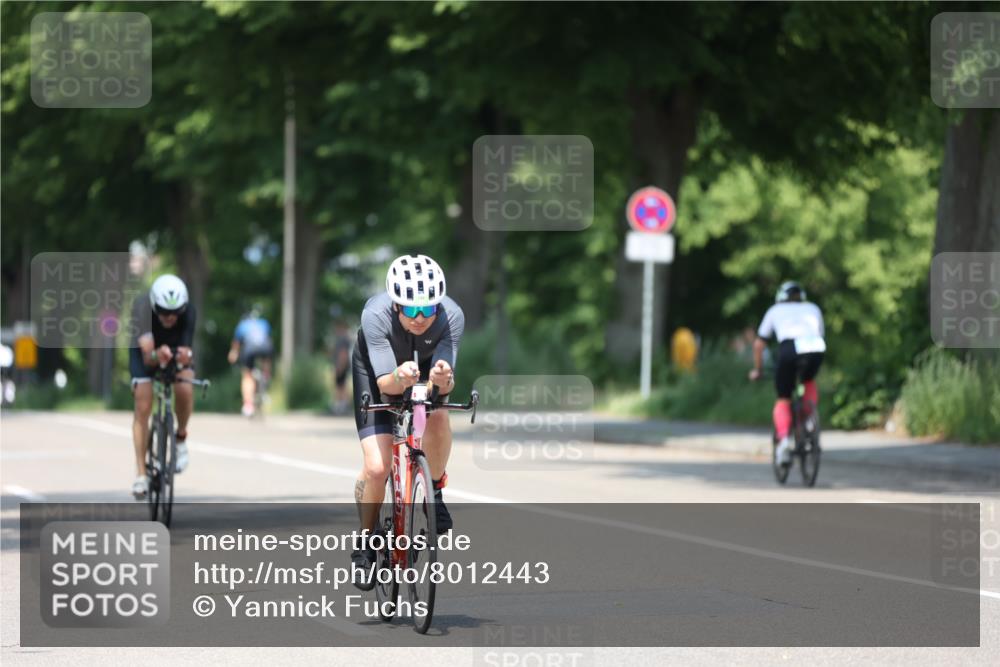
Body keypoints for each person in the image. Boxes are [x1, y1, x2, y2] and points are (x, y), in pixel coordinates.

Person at [349, 254, 464, 589]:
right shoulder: (375, 315)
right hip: (379, 374)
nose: (420, 318)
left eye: (428, 309)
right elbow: (387, 385)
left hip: (423, 369)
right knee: (377, 467)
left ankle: (435, 493)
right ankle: (365, 544)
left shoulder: (452, 316)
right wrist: (399, 377)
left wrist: (441, 379)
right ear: (396, 304)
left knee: (438, 416)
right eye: (411, 310)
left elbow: (444, 385)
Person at [130, 274, 197, 499]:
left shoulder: (189, 312)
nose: (169, 317)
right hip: (145, 351)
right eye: (163, 312)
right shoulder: (142, 308)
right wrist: (156, 355)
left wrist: (183, 356)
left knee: (185, 387)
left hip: (174, 346)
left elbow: (186, 352)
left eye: (175, 313)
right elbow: (148, 357)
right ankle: (141, 474)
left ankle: (180, 438)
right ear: (153, 305)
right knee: (143, 404)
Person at [748, 281, 825, 465]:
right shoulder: (813, 308)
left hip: (789, 348)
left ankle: (783, 443)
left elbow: (759, 345)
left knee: (783, 398)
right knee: (808, 380)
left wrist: (758, 370)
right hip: (815, 347)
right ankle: (809, 421)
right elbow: (820, 334)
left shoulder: (775, 310)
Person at [227, 306, 273, 417]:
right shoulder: (263, 323)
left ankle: (248, 405)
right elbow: (268, 337)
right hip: (266, 347)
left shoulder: (242, 325)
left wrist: (233, 353)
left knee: (247, 375)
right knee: (266, 362)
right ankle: (265, 380)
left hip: (250, 349)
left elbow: (236, 344)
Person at [330, 319, 352, 415]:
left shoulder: (343, 339)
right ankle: (342, 405)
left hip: (341, 366)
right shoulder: (345, 339)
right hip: (343, 366)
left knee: (340, 386)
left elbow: (343, 354)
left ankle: (341, 405)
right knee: (342, 385)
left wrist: (340, 366)